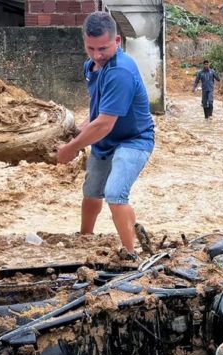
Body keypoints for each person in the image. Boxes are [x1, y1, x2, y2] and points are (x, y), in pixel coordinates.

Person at [56, 11, 154, 261]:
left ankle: (131, 256)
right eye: (91, 48)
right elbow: (97, 112)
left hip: (134, 140)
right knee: (91, 192)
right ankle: (84, 238)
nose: (97, 55)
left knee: (115, 193)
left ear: (118, 42)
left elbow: (104, 123)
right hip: (106, 141)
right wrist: (77, 131)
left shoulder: (120, 71)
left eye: (103, 48)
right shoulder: (91, 67)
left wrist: (72, 148)